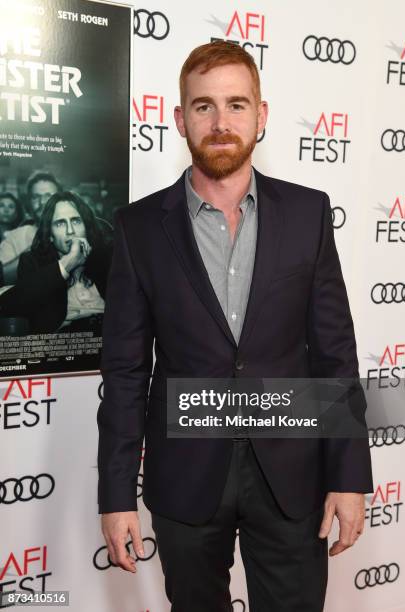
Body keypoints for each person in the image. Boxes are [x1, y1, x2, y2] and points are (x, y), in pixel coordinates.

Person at [97, 41, 373, 611]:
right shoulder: (139, 228)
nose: (221, 123)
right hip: (186, 479)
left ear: (262, 115)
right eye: (203, 106)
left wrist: (349, 476)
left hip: (292, 475)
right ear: (179, 119)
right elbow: (125, 372)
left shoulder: (308, 213)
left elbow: (335, 355)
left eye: (237, 105)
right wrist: (116, 493)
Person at [12, 191, 112, 333]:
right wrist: (68, 263)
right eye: (60, 224)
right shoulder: (32, 262)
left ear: (87, 227)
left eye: (76, 221)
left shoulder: (107, 257)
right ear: (50, 235)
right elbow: (16, 304)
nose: (70, 231)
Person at [0, 171, 60, 286]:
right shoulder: (14, 236)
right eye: (36, 197)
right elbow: (2, 277)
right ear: (29, 202)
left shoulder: (74, 231)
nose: (42, 202)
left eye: (49, 196)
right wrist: (37, 249)